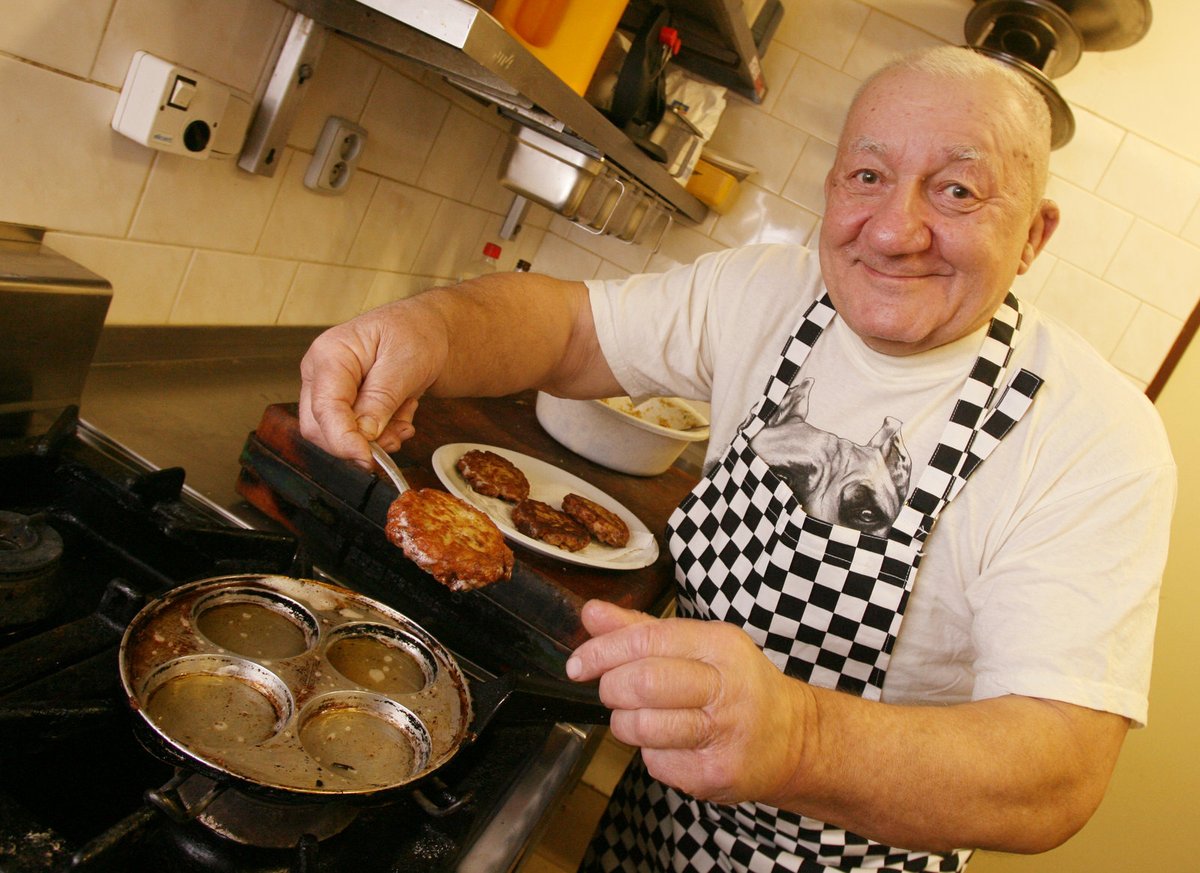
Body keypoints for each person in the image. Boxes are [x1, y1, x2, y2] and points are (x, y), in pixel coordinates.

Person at [299, 45, 1175, 872]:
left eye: (956, 191)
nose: (896, 230)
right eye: (868, 177)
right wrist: (427, 330)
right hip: (662, 807)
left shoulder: (1091, 437)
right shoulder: (772, 294)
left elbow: (1057, 769)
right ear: (832, 188)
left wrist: (798, 738)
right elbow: (569, 328)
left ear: (1033, 236)